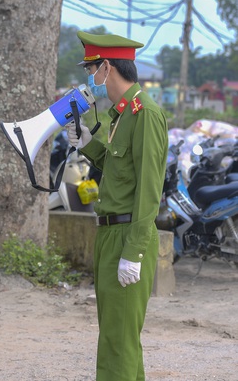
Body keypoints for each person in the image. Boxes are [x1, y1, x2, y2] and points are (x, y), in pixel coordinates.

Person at [66, 31, 168, 381]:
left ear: (107, 67)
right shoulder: (121, 115)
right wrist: (89, 145)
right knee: (117, 337)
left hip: (128, 234)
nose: (89, 78)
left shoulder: (145, 114)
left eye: (91, 69)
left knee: (118, 342)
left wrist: (135, 251)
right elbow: (120, 171)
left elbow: (150, 189)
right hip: (111, 234)